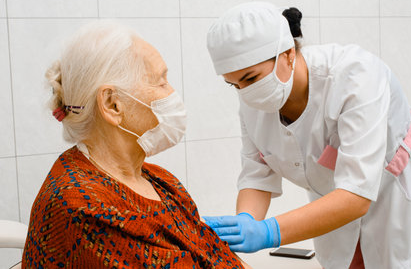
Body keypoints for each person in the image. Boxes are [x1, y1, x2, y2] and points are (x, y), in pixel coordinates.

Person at [203, 1, 411, 269]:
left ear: (287, 54)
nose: (245, 92)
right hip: (333, 211)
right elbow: (256, 175)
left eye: (250, 78)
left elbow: (355, 195)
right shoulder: (253, 100)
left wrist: (269, 232)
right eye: (233, 84)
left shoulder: (355, 76)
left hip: (401, 207)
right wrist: (246, 222)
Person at [22, 21, 250, 269]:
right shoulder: (85, 209)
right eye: (161, 82)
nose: (172, 93)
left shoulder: (161, 182)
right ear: (112, 104)